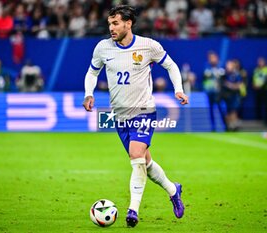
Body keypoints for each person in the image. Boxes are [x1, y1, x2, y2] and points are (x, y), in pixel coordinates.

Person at [82, 5, 188, 228]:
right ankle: (172, 189)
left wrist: (178, 88)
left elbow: (171, 65)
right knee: (144, 163)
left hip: (144, 111)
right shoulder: (103, 48)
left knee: (136, 155)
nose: (111, 28)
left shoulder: (148, 46)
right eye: (110, 23)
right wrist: (88, 93)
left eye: (116, 23)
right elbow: (92, 72)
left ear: (128, 24)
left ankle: (133, 210)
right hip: (120, 116)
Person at [203, 51, 225, 131]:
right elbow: (205, 77)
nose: (212, 60)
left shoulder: (220, 67)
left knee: (220, 108)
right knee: (211, 109)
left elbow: (223, 77)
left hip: (218, 92)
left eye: (213, 58)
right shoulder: (206, 67)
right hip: (210, 92)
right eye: (210, 58)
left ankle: (225, 125)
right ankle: (213, 126)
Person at [221, 60, 243, 131]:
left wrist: (230, 85)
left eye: (229, 65)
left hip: (234, 96)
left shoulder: (236, 75)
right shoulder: (224, 74)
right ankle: (228, 126)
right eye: (227, 65)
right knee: (227, 111)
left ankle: (234, 126)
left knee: (233, 111)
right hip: (226, 96)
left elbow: (240, 85)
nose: (227, 67)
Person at [252, 57, 267, 126]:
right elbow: (254, 78)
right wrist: (254, 85)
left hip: (265, 90)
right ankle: (259, 120)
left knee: (266, 105)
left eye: (261, 62)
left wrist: (260, 86)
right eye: (259, 62)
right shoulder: (256, 70)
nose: (259, 63)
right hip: (257, 90)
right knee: (258, 105)